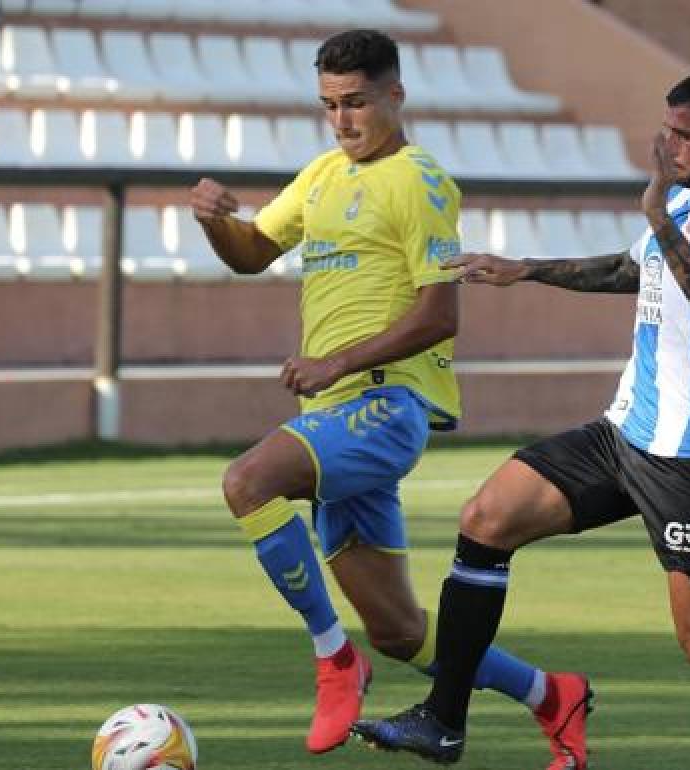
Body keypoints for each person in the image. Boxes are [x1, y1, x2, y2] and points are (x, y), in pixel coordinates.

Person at [353, 66, 690, 770]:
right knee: (486, 518)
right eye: (665, 129)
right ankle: (444, 720)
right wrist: (526, 268)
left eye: (685, 135)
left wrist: (659, 216)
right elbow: (632, 270)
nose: (666, 145)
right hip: (622, 435)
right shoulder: (685, 204)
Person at [189, 29, 591, 768]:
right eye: (329, 106)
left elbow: (441, 314)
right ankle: (550, 695)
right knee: (402, 631)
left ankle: (332, 659)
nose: (343, 121)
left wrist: (333, 360)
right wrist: (217, 221)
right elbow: (252, 253)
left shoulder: (421, 181)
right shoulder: (320, 178)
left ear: (395, 95)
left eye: (356, 103)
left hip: (385, 407)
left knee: (248, 481)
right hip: (332, 415)